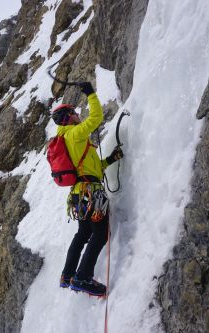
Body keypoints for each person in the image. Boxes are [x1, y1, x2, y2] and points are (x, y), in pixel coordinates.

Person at [51, 82, 123, 297]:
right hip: (90, 192)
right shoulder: (74, 134)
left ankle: (68, 275)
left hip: (79, 193)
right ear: (68, 117)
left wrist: (109, 160)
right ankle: (82, 277)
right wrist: (90, 94)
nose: (77, 115)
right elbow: (96, 118)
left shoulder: (67, 139)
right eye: (73, 113)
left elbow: (89, 168)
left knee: (83, 233)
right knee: (100, 234)